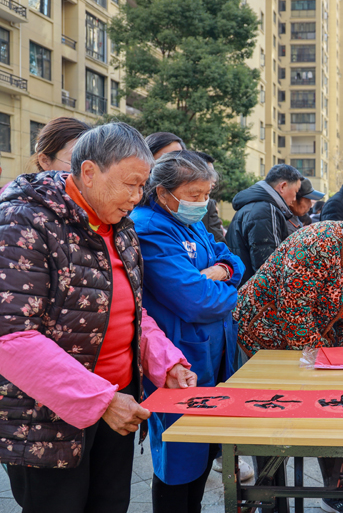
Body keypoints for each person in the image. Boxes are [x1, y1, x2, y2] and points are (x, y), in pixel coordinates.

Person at [0, 122, 196, 512]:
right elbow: (12, 338)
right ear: (88, 172)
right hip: (47, 418)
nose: (137, 198)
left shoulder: (119, 227)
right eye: (129, 184)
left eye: (142, 186)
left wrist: (165, 362)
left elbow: (130, 311)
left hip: (115, 404)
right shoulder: (24, 221)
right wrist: (102, 400)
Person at [235, 218, 343, 513]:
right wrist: (324, 361)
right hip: (263, 334)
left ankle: (334, 490)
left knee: (331, 408)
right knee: (273, 419)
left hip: (311, 339)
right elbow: (294, 309)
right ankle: (270, 497)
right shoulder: (317, 244)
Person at [130, 151, 245, 512]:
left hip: (215, 350)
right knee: (180, 459)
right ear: (163, 192)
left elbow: (234, 259)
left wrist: (223, 272)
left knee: (207, 447)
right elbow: (196, 300)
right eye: (194, 194)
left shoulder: (190, 222)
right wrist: (231, 291)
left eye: (206, 194)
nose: (201, 202)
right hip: (182, 356)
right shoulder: (150, 228)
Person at [226, 164, 303, 284]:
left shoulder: (254, 205)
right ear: (283, 186)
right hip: (254, 293)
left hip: (242, 286)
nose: (294, 198)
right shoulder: (266, 210)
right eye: (295, 192)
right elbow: (269, 266)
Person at [144, 132, 226, 243]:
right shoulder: (148, 223)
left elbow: (220, 249)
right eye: (165, 159)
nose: (201, 202)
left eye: (178, 156)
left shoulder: (193, 215)